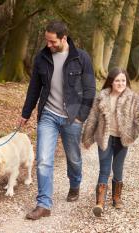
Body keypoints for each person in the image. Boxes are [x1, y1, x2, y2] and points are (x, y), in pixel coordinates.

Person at [19, 20, 96, 220]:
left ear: (64, 38)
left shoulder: (81, 58)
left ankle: (75, 183)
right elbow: (34, 87)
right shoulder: (42, 57)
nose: (49, 45)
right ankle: (44, 204)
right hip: (48, 115)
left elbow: (90, 90)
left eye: (53, 42)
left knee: (74, 158)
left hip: (72, 118)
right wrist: (26, 113)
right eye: (47, 41)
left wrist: (81, 117)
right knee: (44, 160)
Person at [82, 67, 139, 217]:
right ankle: (100, 202)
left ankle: (116, 197)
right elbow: (92, 118)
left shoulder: (132, 98)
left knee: (118, 168)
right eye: (117, 80)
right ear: (111, 81)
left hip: (122, 139)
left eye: (123, 80)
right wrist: (87, 137)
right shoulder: (102, 97)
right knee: (104, 169)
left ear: (127, 81)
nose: (120, 83)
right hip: (105, 137)